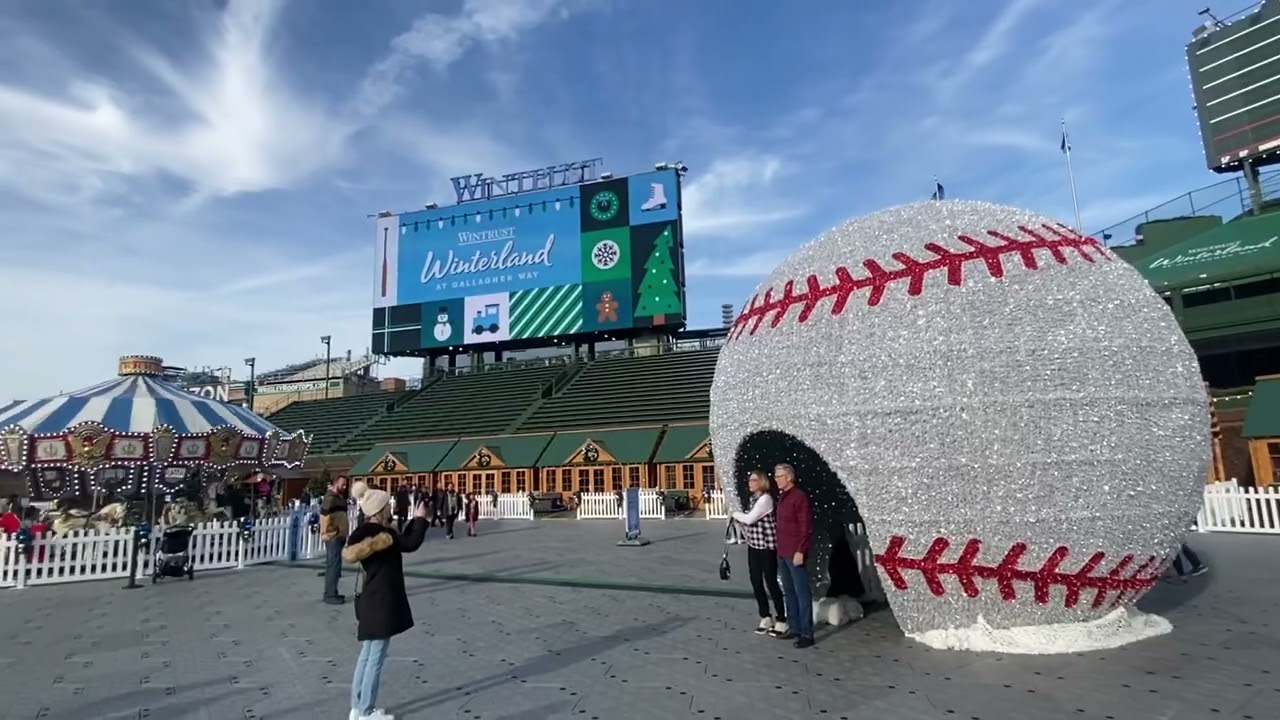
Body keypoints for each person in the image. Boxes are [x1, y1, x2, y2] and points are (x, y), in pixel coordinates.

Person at [343, 482, 428, 720]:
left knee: (366, 655)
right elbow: (410, 543)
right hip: (384, 600)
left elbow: (402, 540)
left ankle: (357, 707)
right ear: (381, 509)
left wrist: (414, 519)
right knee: (376, 658)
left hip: (370, 598)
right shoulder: (385, 536)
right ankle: (368, 710)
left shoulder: (361, 534)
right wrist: (420, 518)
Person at [731, 471, 788, 636]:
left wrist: (735, 514)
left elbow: (750, 518)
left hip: (766, 546)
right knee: (756, 580)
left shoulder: (765, 499)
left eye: (754, 480)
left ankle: (782, 618)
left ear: (762, 482)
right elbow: (747, 522)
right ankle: (765, 615)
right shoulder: (753, 499)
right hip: (754, 545)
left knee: (770, 581)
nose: (750, 482)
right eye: (749, 480)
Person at [773, 463, 814, 648]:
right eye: (775, 475)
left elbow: (806, 526)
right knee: (789, 591)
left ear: (789, 477)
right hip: (782, 550)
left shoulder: (799, 497)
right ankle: (795, 627)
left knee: (801, 592)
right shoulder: (782, 497)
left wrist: (801, 550)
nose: (776, 479)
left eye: (779, 475)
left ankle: (806, 633)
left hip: (794, 551)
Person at [319, 475, 350, 605]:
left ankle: (332, 592)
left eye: (346, 484)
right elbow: (325, 517)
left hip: (340, 534)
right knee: (333, 565)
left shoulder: (340, 498)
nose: (344, 487)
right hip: (333, 536)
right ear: (335, 483)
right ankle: (330, 594)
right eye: (342, 484)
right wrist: (331, 532)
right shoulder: (330, 498)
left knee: (335, 564)